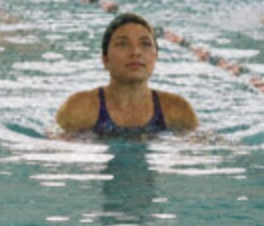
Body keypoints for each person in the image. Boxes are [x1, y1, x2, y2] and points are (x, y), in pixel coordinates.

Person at [55, 13, 198, 135]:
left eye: (145, 44)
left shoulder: (177, 110)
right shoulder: (80, 108)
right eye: (122, 44)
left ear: (155, 57)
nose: (135, 52)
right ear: (105, 59)